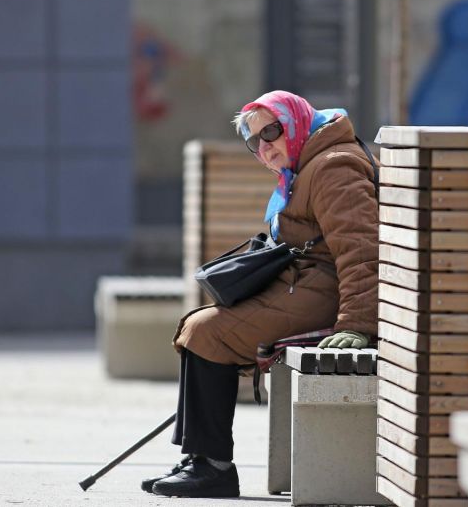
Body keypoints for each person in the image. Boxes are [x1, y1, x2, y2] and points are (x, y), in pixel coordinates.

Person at [144, 90, 379, 498]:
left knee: (207, 333)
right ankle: (199, 459)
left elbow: (361, 250)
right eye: (255, 141)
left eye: (272, 131)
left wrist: (357, 324)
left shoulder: (333, 167)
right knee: (202, 327)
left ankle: (210, 467)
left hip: (325, 292)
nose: (265, 146)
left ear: (297, 123)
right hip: (304, 284)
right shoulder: (310, 165)